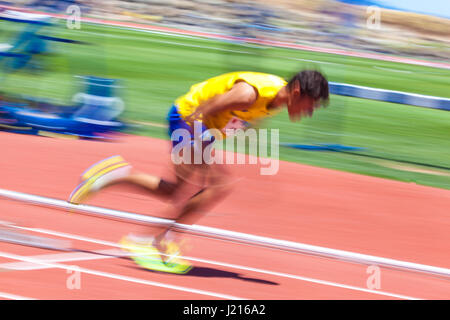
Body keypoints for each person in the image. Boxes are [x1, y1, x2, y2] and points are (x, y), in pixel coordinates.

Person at [68, 70, 329, 273]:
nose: (310, 111)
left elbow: (239, 118)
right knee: (220, 185)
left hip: (196, 125)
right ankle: (154, 240)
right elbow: (203, 109)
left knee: (173, 191)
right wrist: (202, 147)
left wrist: (238, 133)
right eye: (311, 104)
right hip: (188, 118)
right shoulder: (251, 93)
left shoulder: (275, 98)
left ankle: (112, 175)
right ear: (297, 90)